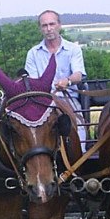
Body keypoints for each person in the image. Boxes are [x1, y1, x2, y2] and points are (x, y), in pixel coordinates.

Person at [25, 10, 87, 142]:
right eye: (44, 25)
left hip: (68, 100)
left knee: (79, 128)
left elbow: (78, 74)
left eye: (52, 24)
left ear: (59, 25)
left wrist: (67, 81)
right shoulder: (33, 53)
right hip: (42, 101)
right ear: (40, 28)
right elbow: (32, 81)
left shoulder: (73, 49)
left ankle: (80, 153)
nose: (48, 29)